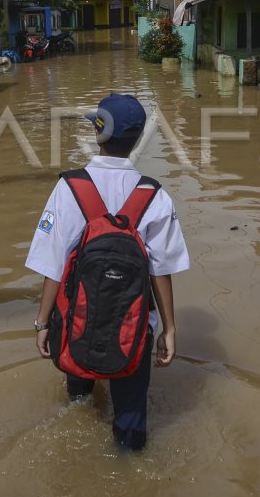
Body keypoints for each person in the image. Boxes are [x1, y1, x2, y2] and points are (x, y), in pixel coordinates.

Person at [25, 93, 190, 450]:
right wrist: (169, 328)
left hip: (75, 322)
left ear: (99, 134)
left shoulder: (69, 189)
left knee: (80, 403)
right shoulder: (155, 196)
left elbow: (51, 264)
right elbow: (161, 270)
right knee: (131, 424)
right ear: (136, 141)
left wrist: (42, 323)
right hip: (135, 330)